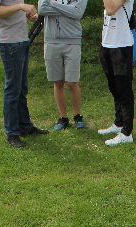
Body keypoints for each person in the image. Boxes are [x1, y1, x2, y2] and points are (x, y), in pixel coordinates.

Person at [0, 0, 48, 148]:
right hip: (9, 42)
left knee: (22, 88)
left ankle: (25, 126)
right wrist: (20, 6)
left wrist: (26, 14)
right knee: (13, 88)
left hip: (21, 40)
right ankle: (12, 133)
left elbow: (9, 10)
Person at [38, 0, 89, 131]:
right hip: (51, 41)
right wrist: (67, 9)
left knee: (72, 82)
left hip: (73, 41)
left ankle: (78, 116)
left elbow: (77, 13)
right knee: (58, 81)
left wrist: (52, 3)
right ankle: (63, 118)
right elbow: (42, 9)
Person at [97, 0, 135, 146]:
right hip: (107, 44)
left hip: (121, 47)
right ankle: (119, 123)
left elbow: (110, 9)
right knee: (114, 88)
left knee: (124, 90)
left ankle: (127, 133)